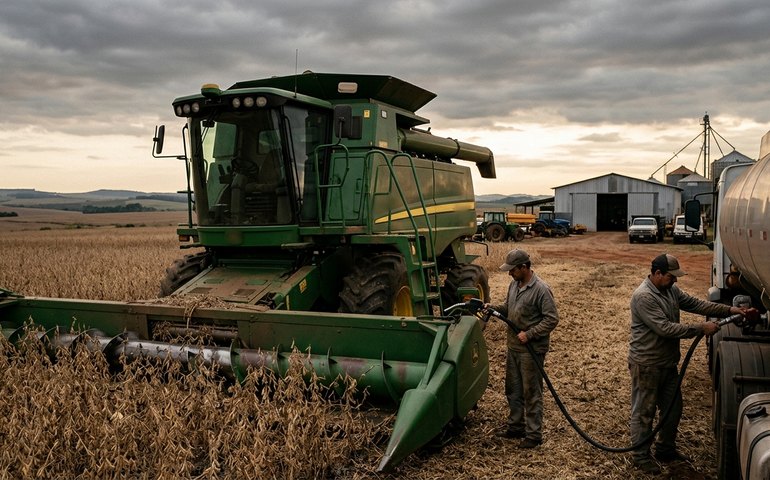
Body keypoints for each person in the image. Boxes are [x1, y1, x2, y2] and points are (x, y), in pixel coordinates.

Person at [628, 253, 754, 474]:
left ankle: (665, 449)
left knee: (673, 409)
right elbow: (665, 329)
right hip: (647, 365)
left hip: (667, 364)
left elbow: (695, 304)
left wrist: (731, 310)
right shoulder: (644, 296)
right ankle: (640, 456)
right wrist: (700, 329)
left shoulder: (670, 290)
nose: (675, 280)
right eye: (671, 276)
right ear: (657, 274)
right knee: (644, 412)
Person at [487, 249, 559, 448]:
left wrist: (530, 334)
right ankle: (516, 427)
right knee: (513, 390)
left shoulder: (541, 289)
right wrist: (491, 308)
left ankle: (534, 435)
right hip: (513, 347)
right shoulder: (514, 285)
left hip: (531, 351)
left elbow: (552, 319)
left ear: (524, 267)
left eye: (513, 270)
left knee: (531, 392)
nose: (509, 273)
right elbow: (508, 308)